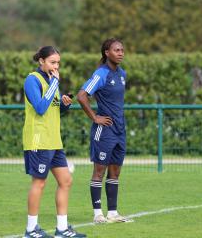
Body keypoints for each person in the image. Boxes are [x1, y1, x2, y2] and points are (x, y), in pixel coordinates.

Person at [22, 46, 86, 238]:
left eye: (58, 62)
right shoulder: (32, 80)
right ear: (41, 61)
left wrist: (65, 105)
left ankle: (62, 229)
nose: (56, 66)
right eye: (52, 62)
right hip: (38, 139)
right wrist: (53, 86)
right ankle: (31, 229)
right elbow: (41, 108)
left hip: (54, 140)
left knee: (66, 181)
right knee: (39, 183)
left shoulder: (53, 82)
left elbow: (54, 108)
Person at [77, 38, 133, 224]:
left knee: (115, 172)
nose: (121, 53)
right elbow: (82, 95)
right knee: (99, 172)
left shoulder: (122, 74)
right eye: (116, 50)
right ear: (106, 53)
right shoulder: (101, 74)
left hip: (119, 131)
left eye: (122, 50)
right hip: (105, 130)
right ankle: (97, 214)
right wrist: (95, 117)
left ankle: (113, 213)